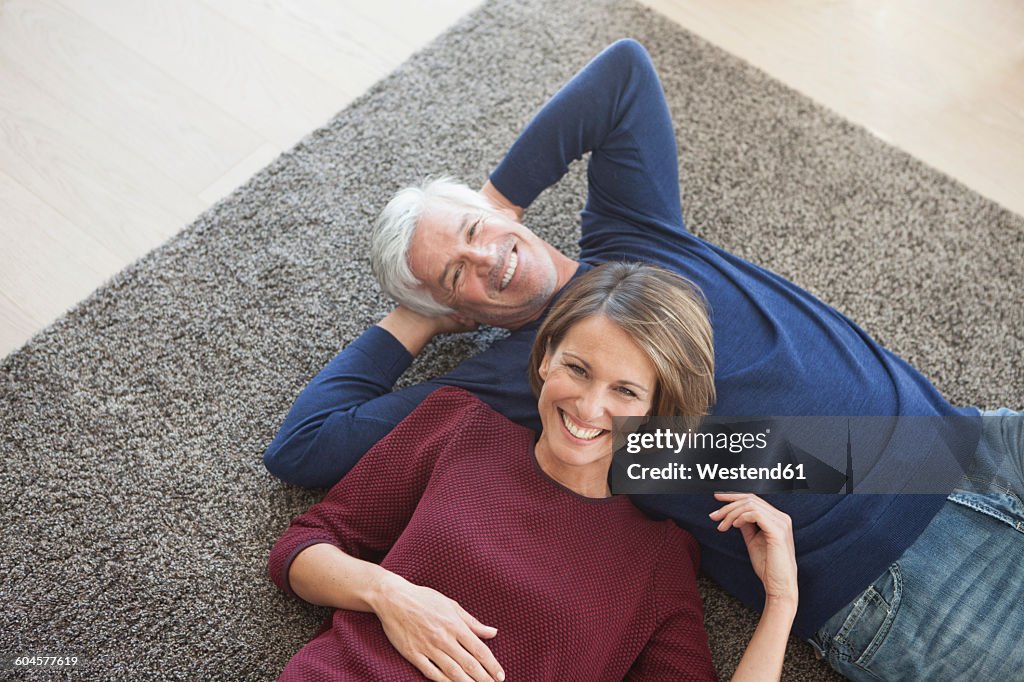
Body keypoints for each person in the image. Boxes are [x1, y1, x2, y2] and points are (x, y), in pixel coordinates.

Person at [265, 40, 1024, 679]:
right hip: (894, 574)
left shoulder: (632, 228)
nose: (486, 257)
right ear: (460, 313)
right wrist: (415, 319)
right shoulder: (533, 385)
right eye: (456, 274)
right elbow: (305, 445)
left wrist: (498, 204)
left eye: (472, 230)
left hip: (966, 437)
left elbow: (623, 72)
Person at [269, 263, 800, 681]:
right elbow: (301, 549)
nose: (590, 409)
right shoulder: (458, 426)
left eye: (626, 391)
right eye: (578, 369)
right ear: (547, 356)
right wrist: (390, 595)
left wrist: (781, 601)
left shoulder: (656, 560)